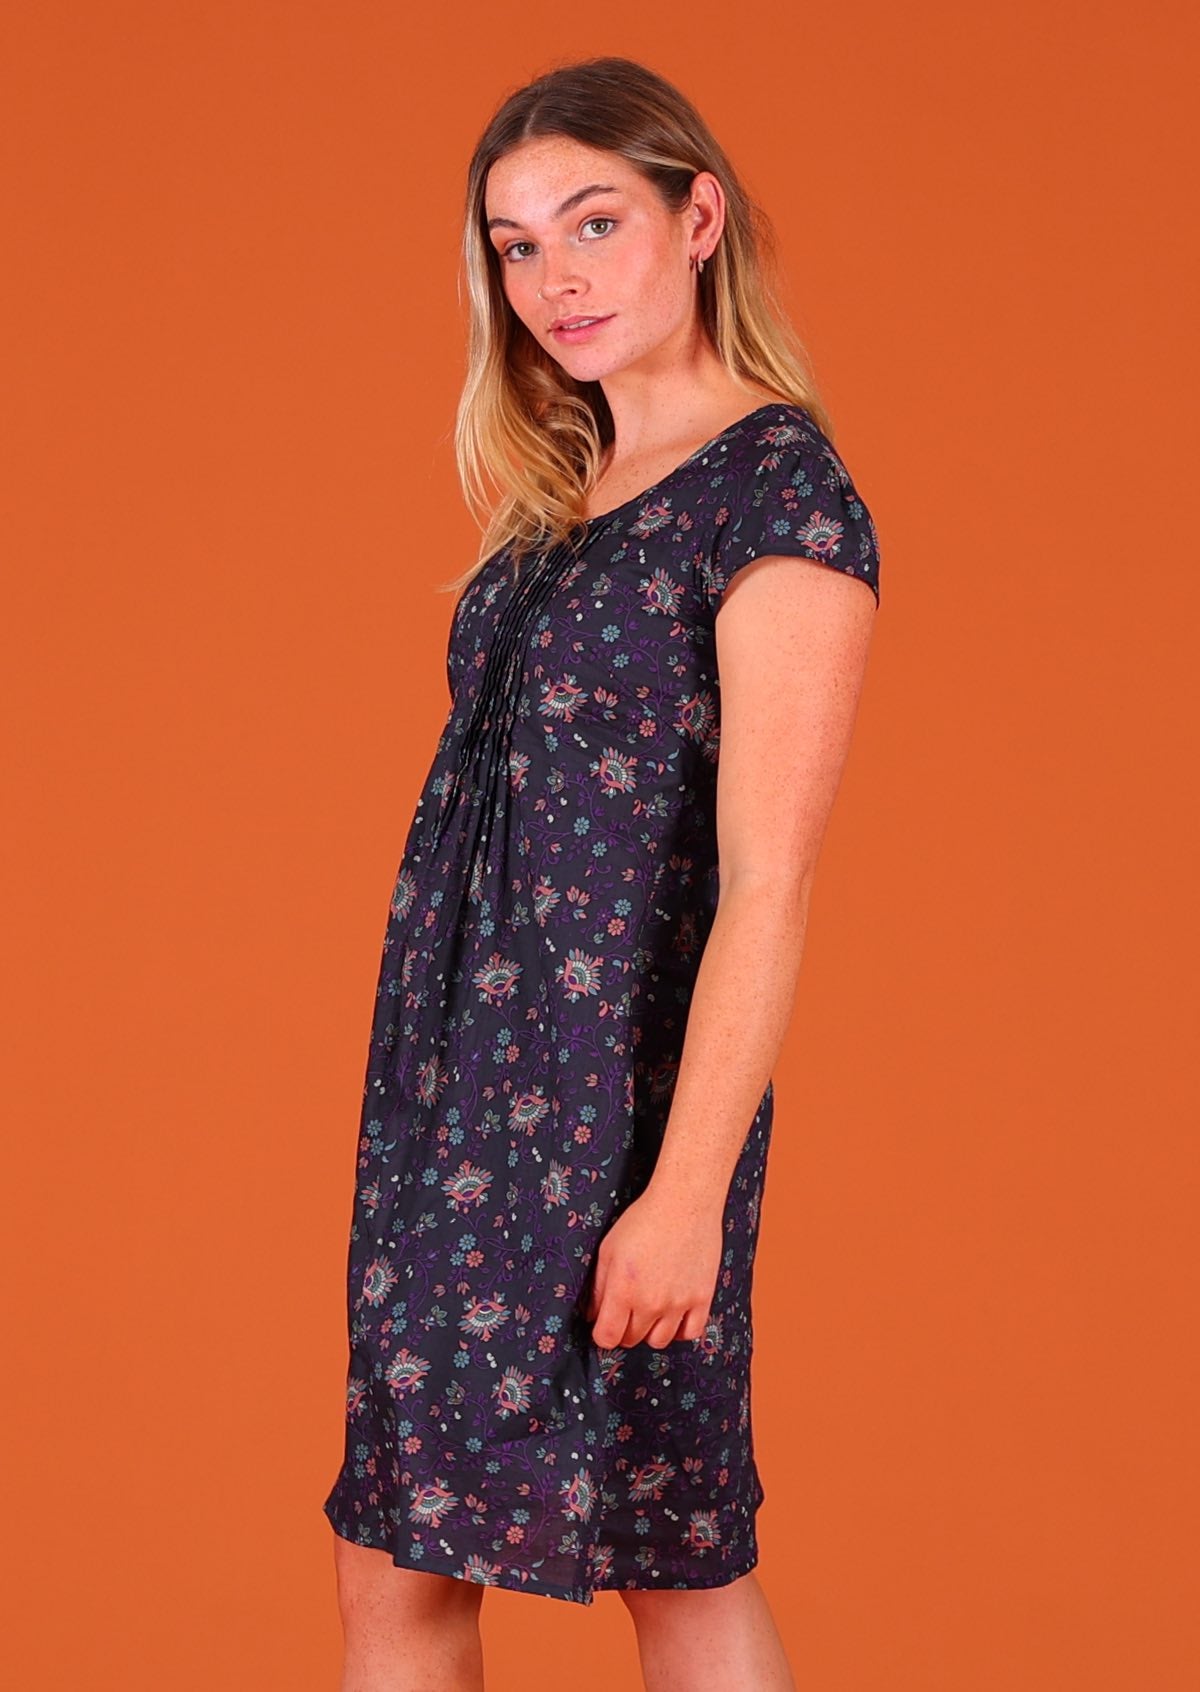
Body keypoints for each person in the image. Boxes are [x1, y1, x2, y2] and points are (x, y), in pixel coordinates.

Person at [322, 54, 881, 1692]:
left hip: (605, 1125)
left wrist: (687, 1194)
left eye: (592, 222)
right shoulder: (559, 499)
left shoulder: (782, 494)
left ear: (698, 218)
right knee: (421, 1553)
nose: (553, 278)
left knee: (668, 1559)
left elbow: (769, 884)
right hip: (453, 1110)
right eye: (515, 245)